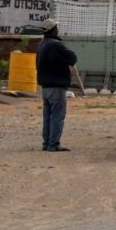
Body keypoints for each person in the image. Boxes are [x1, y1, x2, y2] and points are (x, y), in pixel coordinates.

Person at [36, 19, 78, 152]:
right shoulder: (56, 45)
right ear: (53, 30)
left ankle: (46, 142)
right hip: (57, 85)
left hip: (45, 86)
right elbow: (72, 58)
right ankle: (53, 144)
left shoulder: (41, 44)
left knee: (47, 116)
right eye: (56, 28)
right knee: (57, 116)